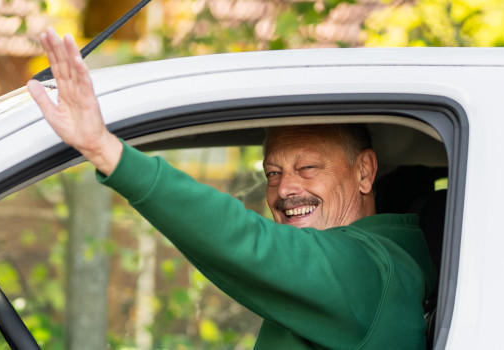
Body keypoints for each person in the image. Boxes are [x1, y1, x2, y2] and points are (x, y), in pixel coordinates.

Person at [25, 28, 436, 349]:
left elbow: (248, 243)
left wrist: (106, 150)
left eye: (308, 167)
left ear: (365, 172)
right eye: (272, 173)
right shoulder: (380, 262)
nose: (285, 189)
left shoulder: (367, 270)